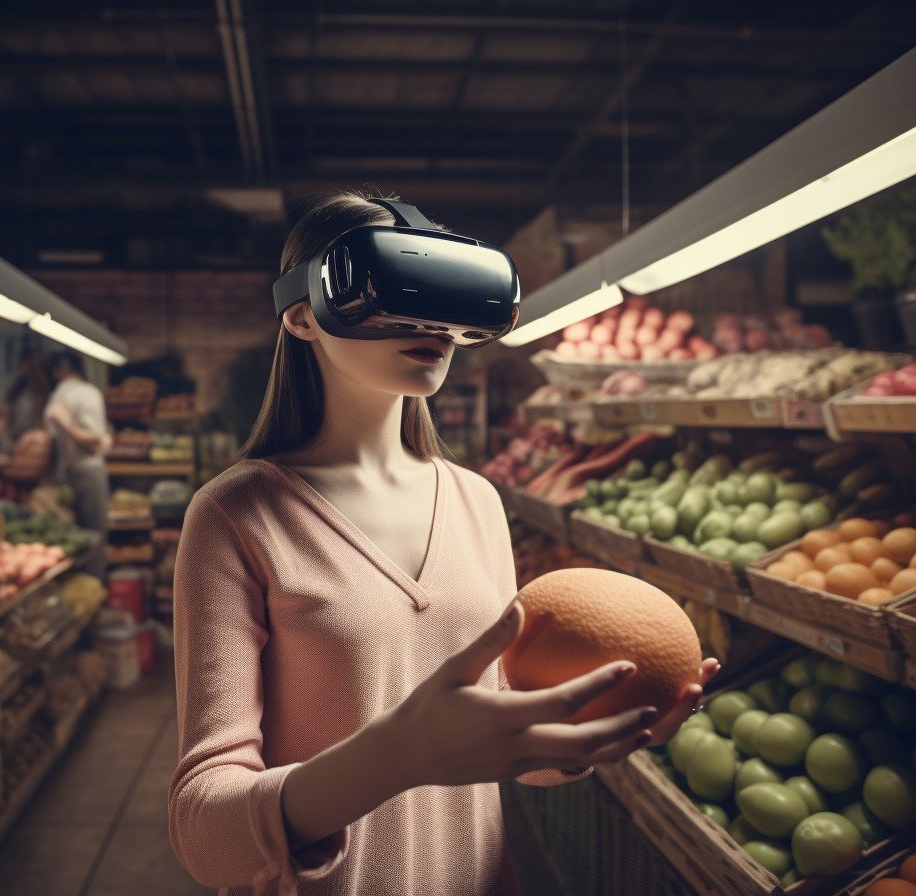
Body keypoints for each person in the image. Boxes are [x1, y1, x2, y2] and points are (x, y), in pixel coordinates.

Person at [168, 191, 719, 895]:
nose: (430, 322)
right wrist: (397, 755)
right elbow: (204, 833)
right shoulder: (237, 515)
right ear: (302, 314)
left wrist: (591, 736)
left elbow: (495, 744)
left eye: (446, 298)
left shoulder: (476, 502)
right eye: (389, 291)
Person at [44, 350, 111, 578]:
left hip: (69, 474)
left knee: (79, 539)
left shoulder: (58, 396)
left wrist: (65, 424)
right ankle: (93, 590)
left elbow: (93, 439)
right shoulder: (87, 393)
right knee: (91, 537)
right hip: (84, 473)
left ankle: (91, 591)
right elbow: (96, 439)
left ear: (57, 371)